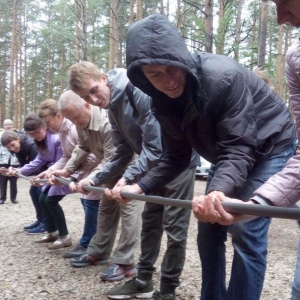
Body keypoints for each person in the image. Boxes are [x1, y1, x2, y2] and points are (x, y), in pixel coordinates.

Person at [121, 13, 296, 300]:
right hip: (228, 155)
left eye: (171, 69)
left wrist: (216, 192)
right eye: (155, 74)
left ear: (181, 59)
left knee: (245, 231)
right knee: (208, 228)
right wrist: (138, 187)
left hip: (271, 146)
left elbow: (240, 147)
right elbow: (176, 157)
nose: (168, 81)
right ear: (143, 77)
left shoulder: (223, 77)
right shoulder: (161, 102)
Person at [67, 62, 197, 296]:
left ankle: (167, 290)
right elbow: (123, 150)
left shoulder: (137, 89)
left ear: (104, 78)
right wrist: (95, 178)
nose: (94, 100)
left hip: (179, 162)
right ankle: (143, 280)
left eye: (94, 90)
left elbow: (154, 146)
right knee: (150, 223)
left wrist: (127, 178)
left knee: (175, 228)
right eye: (87, 96)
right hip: (154, 167)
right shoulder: (111, 104)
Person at [49, 91, 142, 282]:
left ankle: (125, 261)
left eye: (76, 116)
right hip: (110, 171)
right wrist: (67, 171)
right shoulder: (81, 124)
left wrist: (91, 179)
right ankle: (98, 252)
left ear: (87, 105)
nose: (75, 122)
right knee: (106, 210)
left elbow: (111, 157)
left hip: (132, 169)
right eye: (70, 119)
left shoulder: (107, 123)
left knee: (129, 214)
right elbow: (82, 147)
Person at [37, 98, 102, 258]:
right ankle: (89, 242)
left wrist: (71, 175)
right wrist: (51, 170)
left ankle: (88, 244)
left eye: (48, 121)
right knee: (86, 205)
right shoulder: (61, 132)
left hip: (95, 174)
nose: (47, 126)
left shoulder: (73, 129)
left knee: (92, 206)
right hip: (82, 175)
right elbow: (67, 156)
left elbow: (93, 157)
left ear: (58, 115)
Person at [1, 130, 47, 231]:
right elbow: (24, 166)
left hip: (46, 171)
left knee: (40, 193)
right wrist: (13, 171)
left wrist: (19, 172)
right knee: (33, 192)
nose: (12, 148)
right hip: (37, 174)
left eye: (13, 145)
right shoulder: (16, 150)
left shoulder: (31, 145)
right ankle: (40, 220)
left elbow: (38, 166)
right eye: (9, 147)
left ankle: (46, 223)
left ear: (18, 139)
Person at [0, 119, 19, 204]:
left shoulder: (16, 135)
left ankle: (13, 198)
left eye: (10, 124)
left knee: (14, 180)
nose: (9, 126)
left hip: (14, 161)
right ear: (4, 126)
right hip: (3, 160)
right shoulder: (0, 135)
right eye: (7, 124)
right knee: (3, 181)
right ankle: (2, 198)